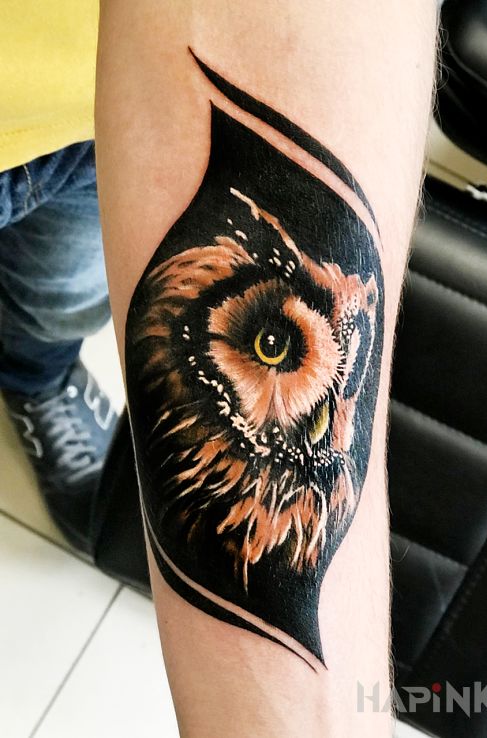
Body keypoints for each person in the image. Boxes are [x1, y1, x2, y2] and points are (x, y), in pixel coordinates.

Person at [2, 1, 437, 735]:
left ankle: (34, 379)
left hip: (91, 107)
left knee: (54, 305)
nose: (330, 419)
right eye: (275, 344)